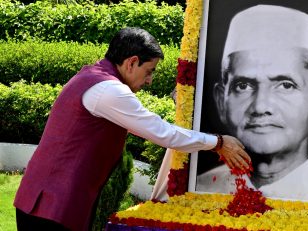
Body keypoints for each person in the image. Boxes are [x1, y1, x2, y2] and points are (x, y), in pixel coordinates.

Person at [13, 27, 251, 231]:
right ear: (131, 62)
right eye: (149, 72)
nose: (149, 81)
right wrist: (218, 143)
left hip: (46, 201)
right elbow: (161, 132)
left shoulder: (95, 77)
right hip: (51, 208)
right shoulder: (110, 91)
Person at [196, 5, 308, 204]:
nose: (260, 106)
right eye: (243, 85)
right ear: (222, 101)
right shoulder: (200, 190)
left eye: (285, 85)